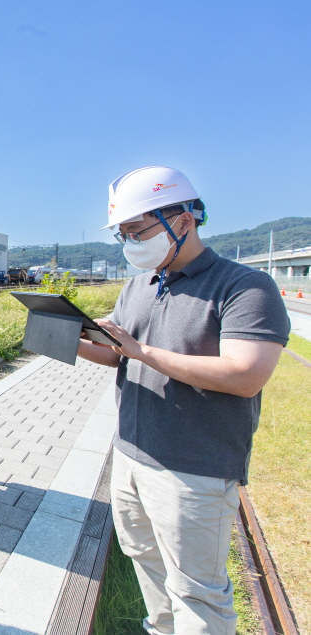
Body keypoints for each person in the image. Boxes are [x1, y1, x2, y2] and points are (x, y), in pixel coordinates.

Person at [77, 166, 290, 635]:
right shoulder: (139, 285)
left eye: (138, 231)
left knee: (198, 592)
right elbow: (120, 359)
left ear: (185, 219)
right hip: (132, 455)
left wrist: (140, 350)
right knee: (147, 564)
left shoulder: (245, 287)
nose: (130, 243)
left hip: (195, 468)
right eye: (123, 234)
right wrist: (67, 336)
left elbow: (245, 375)